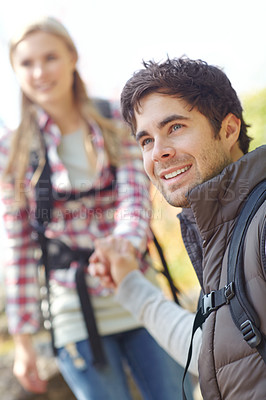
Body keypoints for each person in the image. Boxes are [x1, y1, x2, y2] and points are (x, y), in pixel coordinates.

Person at [0, 19, 195, 400]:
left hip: (136, 292)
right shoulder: (13, 149)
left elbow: (135, 199)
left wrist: (121, 247)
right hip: (72, 313)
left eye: (50, 57)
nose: (39, 72)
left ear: (72, 57)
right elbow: (18, 245)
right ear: (15, 70)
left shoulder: (113, 120)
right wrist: (23, 339)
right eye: (27, 63)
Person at [90, 57, 266, 400]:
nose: (159, 153)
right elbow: (219, 354)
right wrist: (130, 286)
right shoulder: (222, 232)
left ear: (228, 130)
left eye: (175, 128)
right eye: (146, 141)